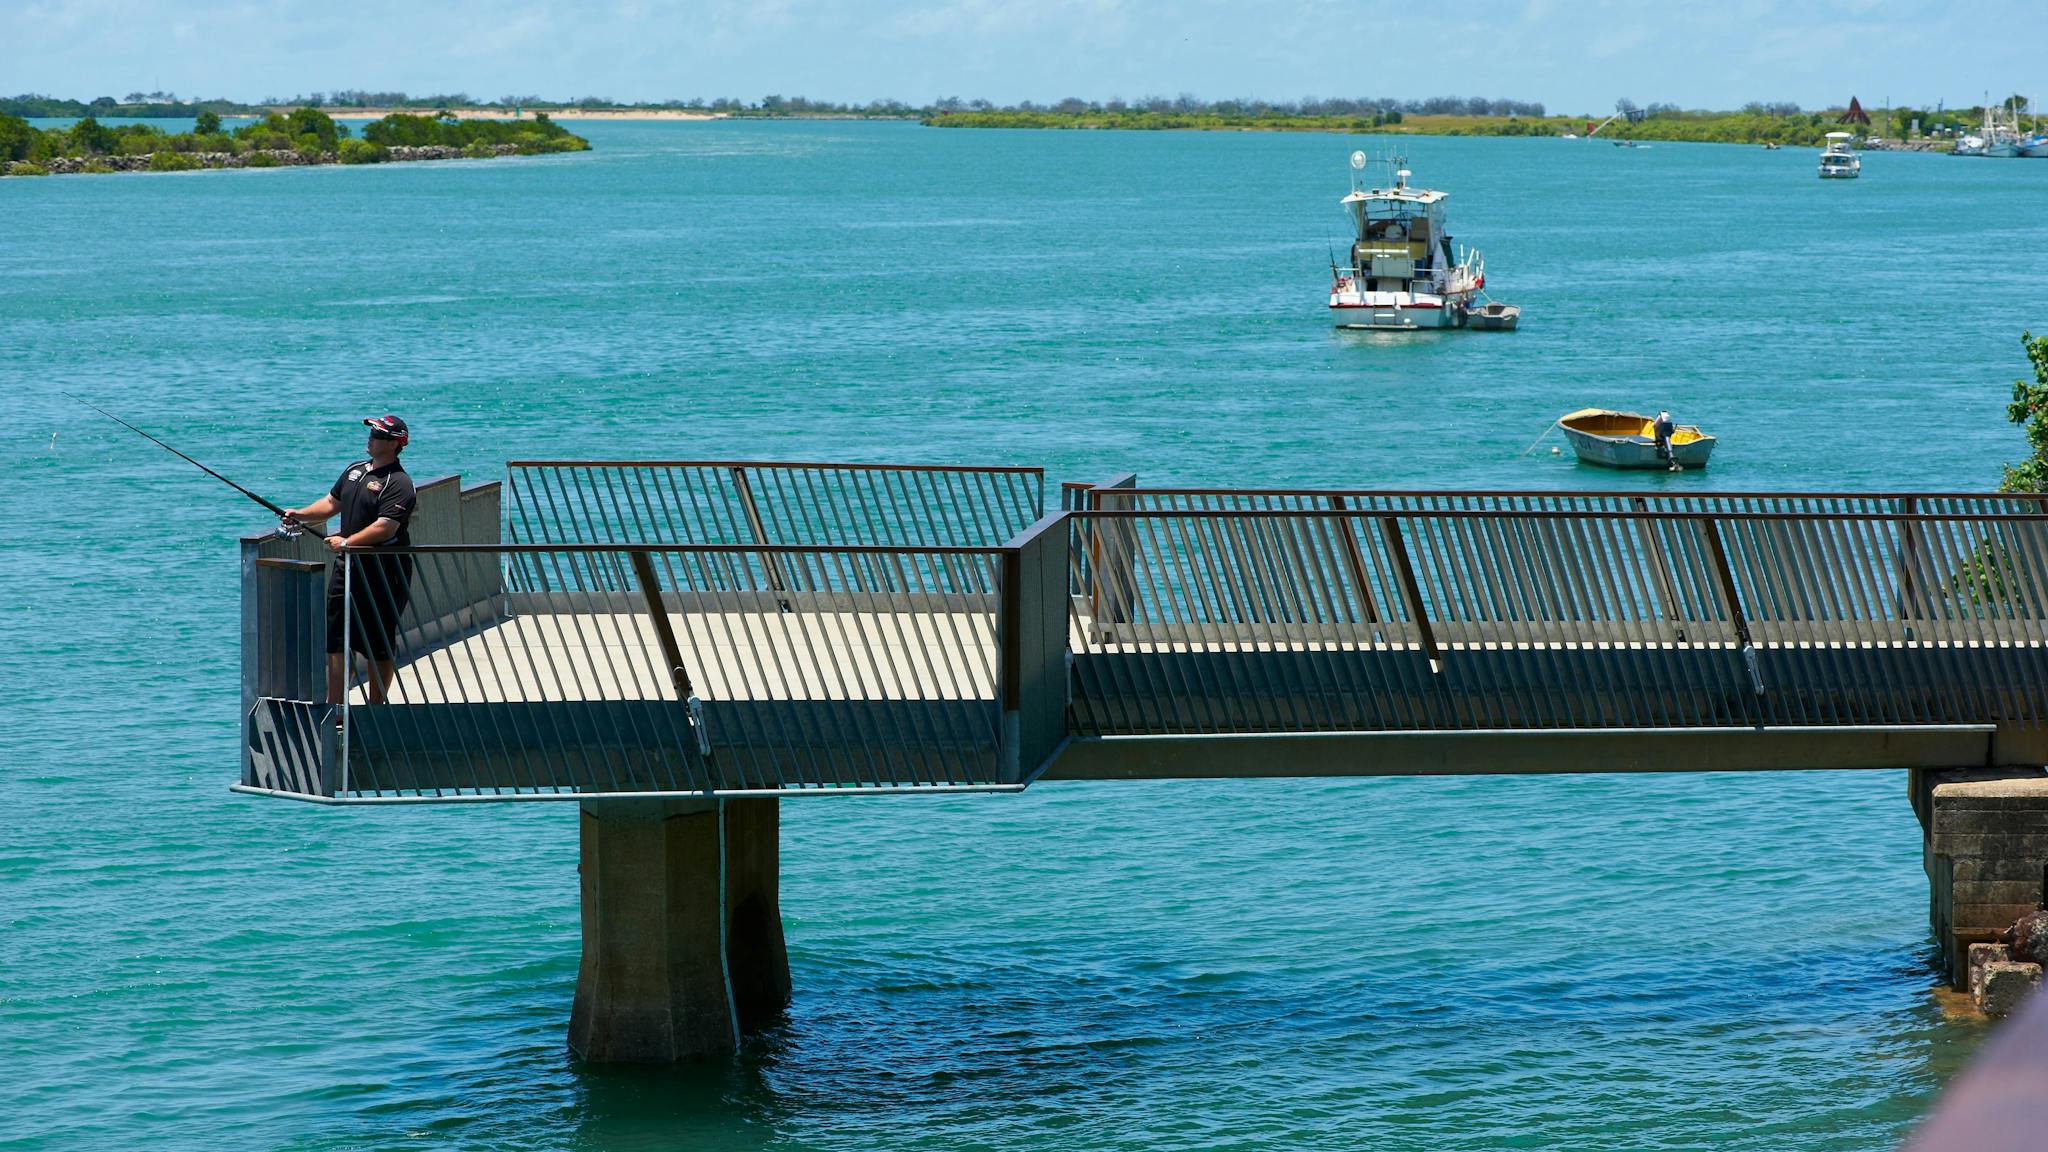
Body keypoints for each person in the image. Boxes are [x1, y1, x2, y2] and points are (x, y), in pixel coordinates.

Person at [282, 416, 418, 706]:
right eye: (371, 432)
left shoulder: (400, 482)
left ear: (395, 444)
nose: (371, 438)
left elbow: (386, 526)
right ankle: (336, 706)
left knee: (378, 641)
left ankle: (376, 706)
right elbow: (331, 503)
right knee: (336, 637)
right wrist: (301, 514)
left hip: (384, 571)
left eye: (378, 435)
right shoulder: (355, 470)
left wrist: (347, 542)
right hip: (347, 568)